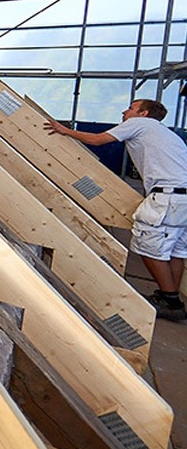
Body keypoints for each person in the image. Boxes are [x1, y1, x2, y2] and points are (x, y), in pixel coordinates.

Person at [44, 99, 187, 320]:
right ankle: (169, 296)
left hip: (168, 197)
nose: (125, 111)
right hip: (182, 199)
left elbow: (98, 140)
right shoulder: (167, 134)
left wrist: (65, 130)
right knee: (175, 250)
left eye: (131, 108)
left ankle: (171, 301)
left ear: (144, 113)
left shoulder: (140, 124)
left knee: (148, 245)